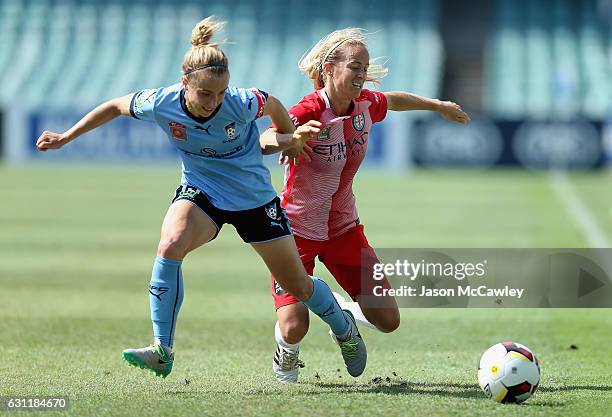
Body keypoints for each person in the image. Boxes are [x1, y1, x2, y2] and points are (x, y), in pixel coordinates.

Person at [36, 17, 368, 379]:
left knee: (298, 286)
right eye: (206, 94)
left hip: (254, 199)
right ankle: (162, 349)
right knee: (171, 242)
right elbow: (116, 105)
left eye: (221, 93)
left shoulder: (241, 102)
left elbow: (273, 106)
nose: (215, 102)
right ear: (185, 84)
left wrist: (290, 139)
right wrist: (67, 137)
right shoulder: (161, 102)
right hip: (203, 191)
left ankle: (343, 327)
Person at [266, 28, 470, 383]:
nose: (361, 76)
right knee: (295, 326)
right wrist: (289, 139)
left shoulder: (365, 105)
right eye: (354, 68)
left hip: (345, 230)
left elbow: (393, 99)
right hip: (296, 232)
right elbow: (266, 139)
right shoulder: (309, 109)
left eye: (365, 69)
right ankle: (287, 351)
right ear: (328, 69)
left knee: (388, 321)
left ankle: (341, 312)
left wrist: (438, 106)